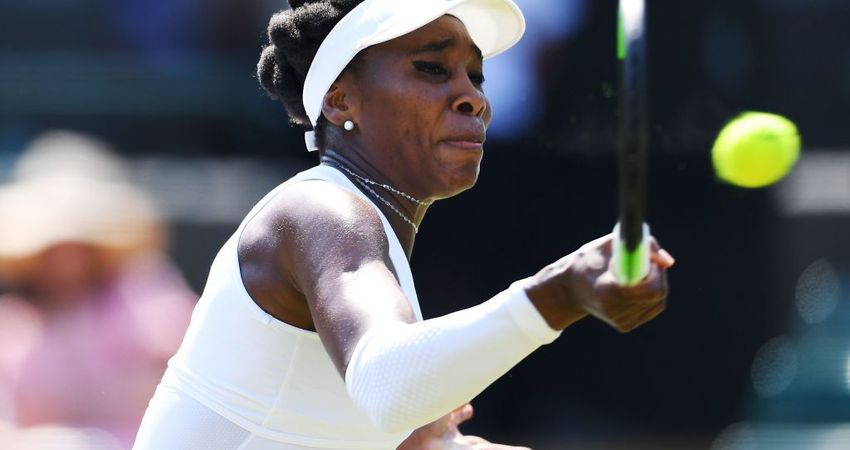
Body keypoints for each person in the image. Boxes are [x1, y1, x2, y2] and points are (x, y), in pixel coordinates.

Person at [133, 0, 674, 449]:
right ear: (340, 98)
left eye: (476, 76)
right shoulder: (323, 211)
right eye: (432, 69)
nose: (475, 99)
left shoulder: (369, 237)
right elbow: (388, 384)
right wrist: (558, 293)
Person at [0, 130, 197, 449]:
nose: (66, 259)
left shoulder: (143, 296)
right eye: (54, 246)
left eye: (77, 244)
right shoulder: (13, 324)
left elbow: (187, 383)